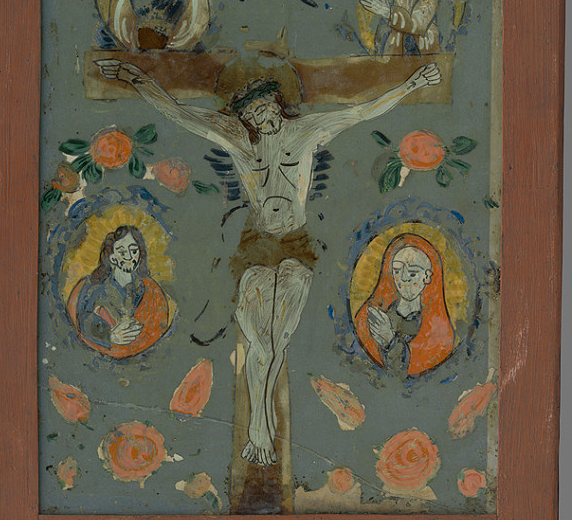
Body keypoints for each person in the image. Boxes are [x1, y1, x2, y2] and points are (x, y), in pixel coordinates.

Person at [96, 57, 441, 463]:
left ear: (278, 102)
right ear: (244, 118)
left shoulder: (305, 131)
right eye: (253, 114)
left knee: (280, 335)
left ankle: (261, 425)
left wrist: (412, 84)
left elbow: (360, 112)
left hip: (296, 243)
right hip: (257, 242)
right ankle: (259, 424)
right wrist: (137, 77)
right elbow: (178, 112)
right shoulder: (237, 139)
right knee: (258, 339)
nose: (262, 118)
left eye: (265, 107)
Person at [354, 233, 455, 377]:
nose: (403, 278)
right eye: (397, 270)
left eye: (413, 273)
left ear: (427, 277)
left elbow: (413, 371)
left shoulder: (439, 333)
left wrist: (390, 341)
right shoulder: (373, 317)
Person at [67, 225, 169, 358]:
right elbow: (84, 318)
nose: (129, 257)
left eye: (134, 251)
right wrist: (109, 336)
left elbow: (158, 323)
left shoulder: (149, 288)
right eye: (122, 252)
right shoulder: (95, 286)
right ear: (112, 258)